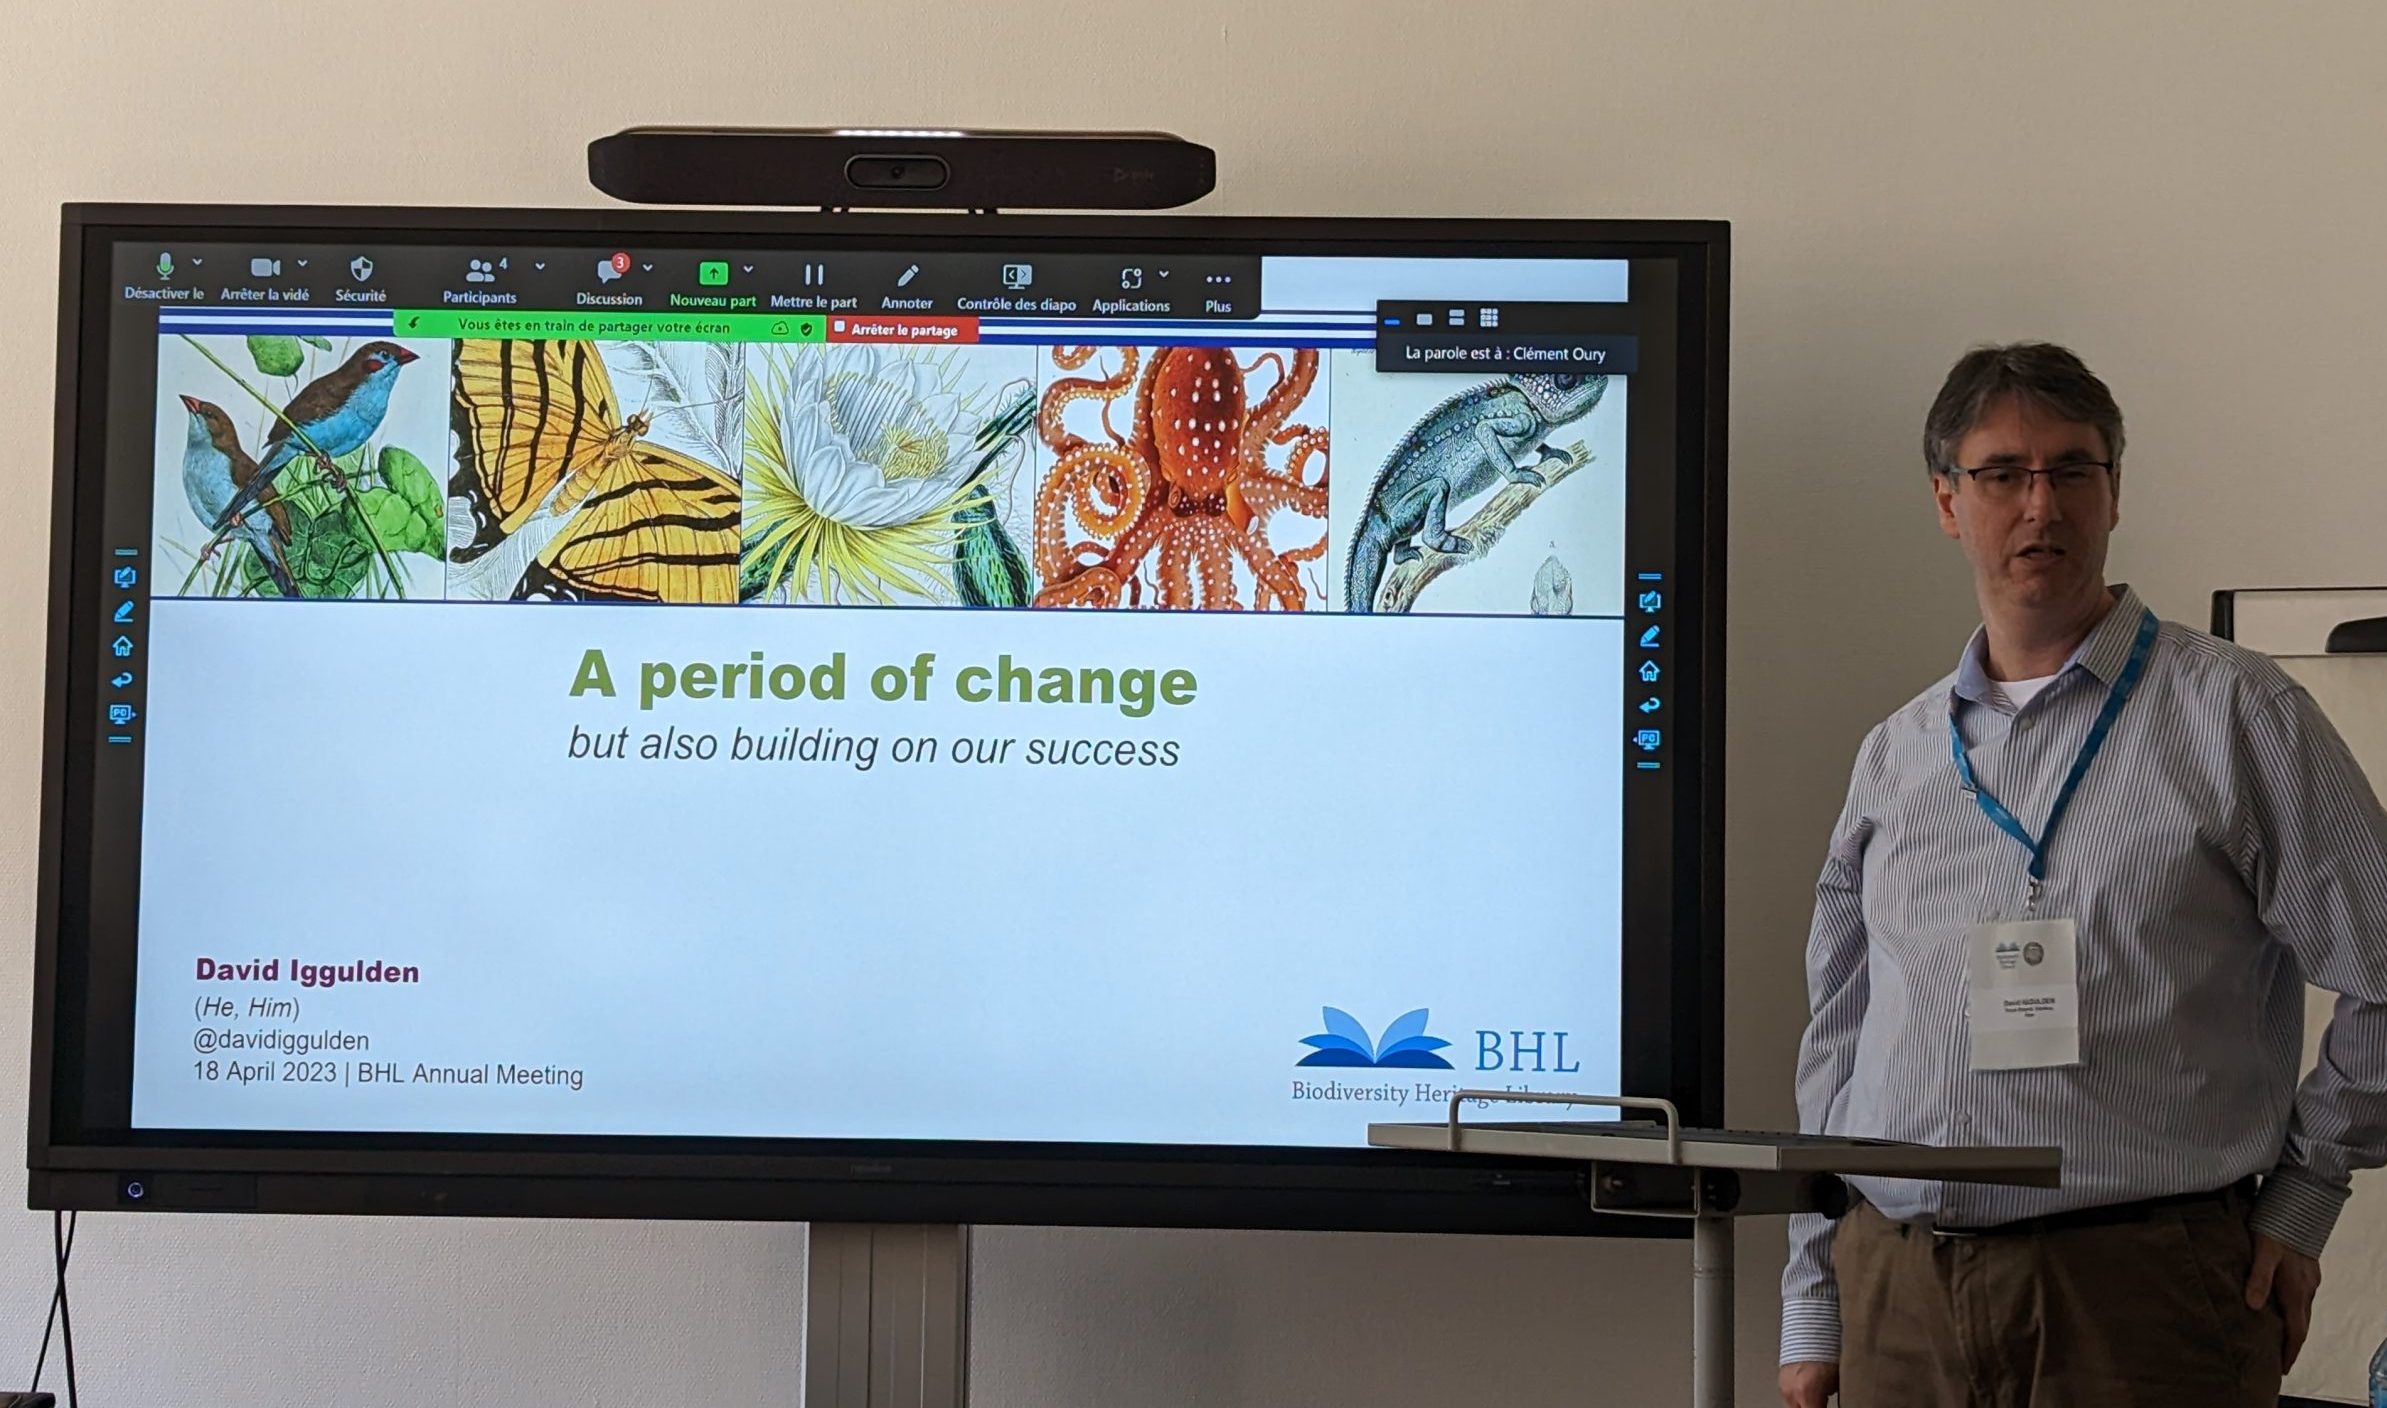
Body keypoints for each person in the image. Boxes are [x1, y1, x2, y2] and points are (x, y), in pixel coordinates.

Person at [1776, 342, 2387, 1408]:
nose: (2037, 505)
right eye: (2000, 473)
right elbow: (1835, 1036)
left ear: (2112, 494)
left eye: (2070, 469)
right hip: (1899, 1295)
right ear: (1944, 501)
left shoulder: (2239, 715)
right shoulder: (1896, 754)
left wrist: (2299, 1202)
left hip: (2140, 1294)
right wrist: (1813, 1297)